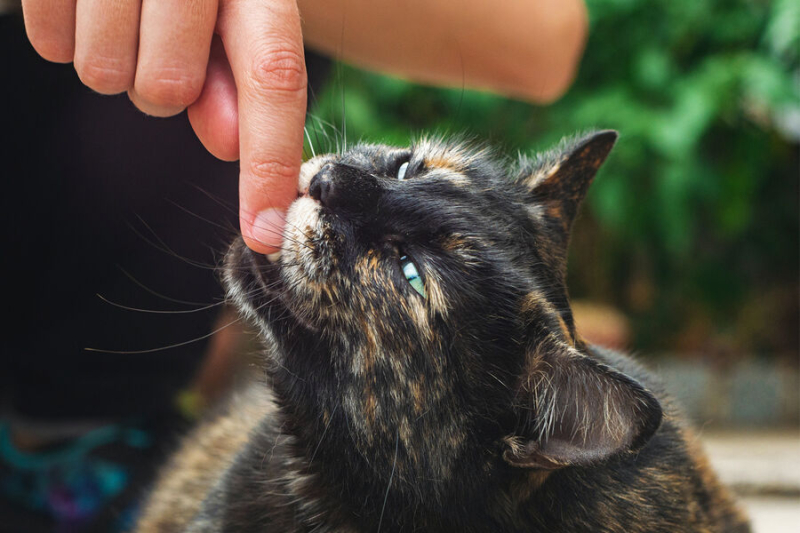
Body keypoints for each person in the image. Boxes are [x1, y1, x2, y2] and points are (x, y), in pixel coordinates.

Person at [2, 0, 588, 530]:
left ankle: (70, 442)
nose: (334, 179)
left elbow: (548, 39)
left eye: (411, 271)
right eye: (407, 167)